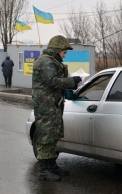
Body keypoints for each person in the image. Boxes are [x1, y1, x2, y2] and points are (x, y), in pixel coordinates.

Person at [32, 35, 81, 181]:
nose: (64, 55)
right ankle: (43, 170)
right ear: (56, 49)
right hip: (45, 105)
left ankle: (52, 166)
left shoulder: (52, 61)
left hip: (52, 104)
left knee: (53, 135)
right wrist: (72, 81)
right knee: (46, 136)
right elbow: (52, 81)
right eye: (64, 52)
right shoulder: (46, 61)